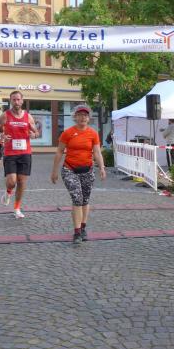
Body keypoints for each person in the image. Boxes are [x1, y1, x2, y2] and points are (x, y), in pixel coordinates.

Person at [50, 104, 107, 245]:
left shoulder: (93, 133)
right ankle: (76, 232)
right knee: (77, 198)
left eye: (85, 115)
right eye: (80, 115)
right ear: (75, 117)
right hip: (70, 170)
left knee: (85, 200)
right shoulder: (67, 133)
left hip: (87, 170)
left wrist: (102, 167)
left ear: (89, 118)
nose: (83, 117)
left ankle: (83, 228)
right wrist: (54, 171)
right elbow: (59, 152)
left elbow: (97, 152)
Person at [0, 91, 39, 219]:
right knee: (12, 181)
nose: (16, 102)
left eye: (18, 99)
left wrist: (34, 135)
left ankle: (17, 208)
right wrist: (2, 136)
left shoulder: (28, 116)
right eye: (14, 99)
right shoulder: (5, 115)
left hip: (25, 153)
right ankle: (8, 192)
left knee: (21, 181)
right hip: (10, 153)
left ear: (22, 101)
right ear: (11, 101)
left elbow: (36, 132)